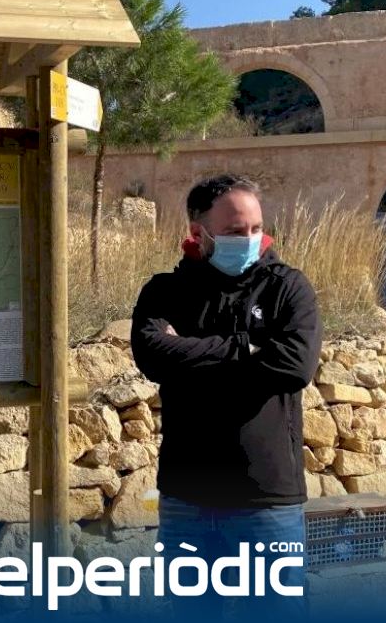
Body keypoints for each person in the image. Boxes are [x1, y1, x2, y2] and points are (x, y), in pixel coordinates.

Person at [130, 174, 322, 620]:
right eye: (236, 231)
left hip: (266, 501)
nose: (251, 239)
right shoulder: (165, 292)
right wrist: (246, 348)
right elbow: (153, 355)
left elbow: (296, 366)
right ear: (199, 233)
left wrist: (189, 351)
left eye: (257, 228)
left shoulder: (288, 288)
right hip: (187, 498)